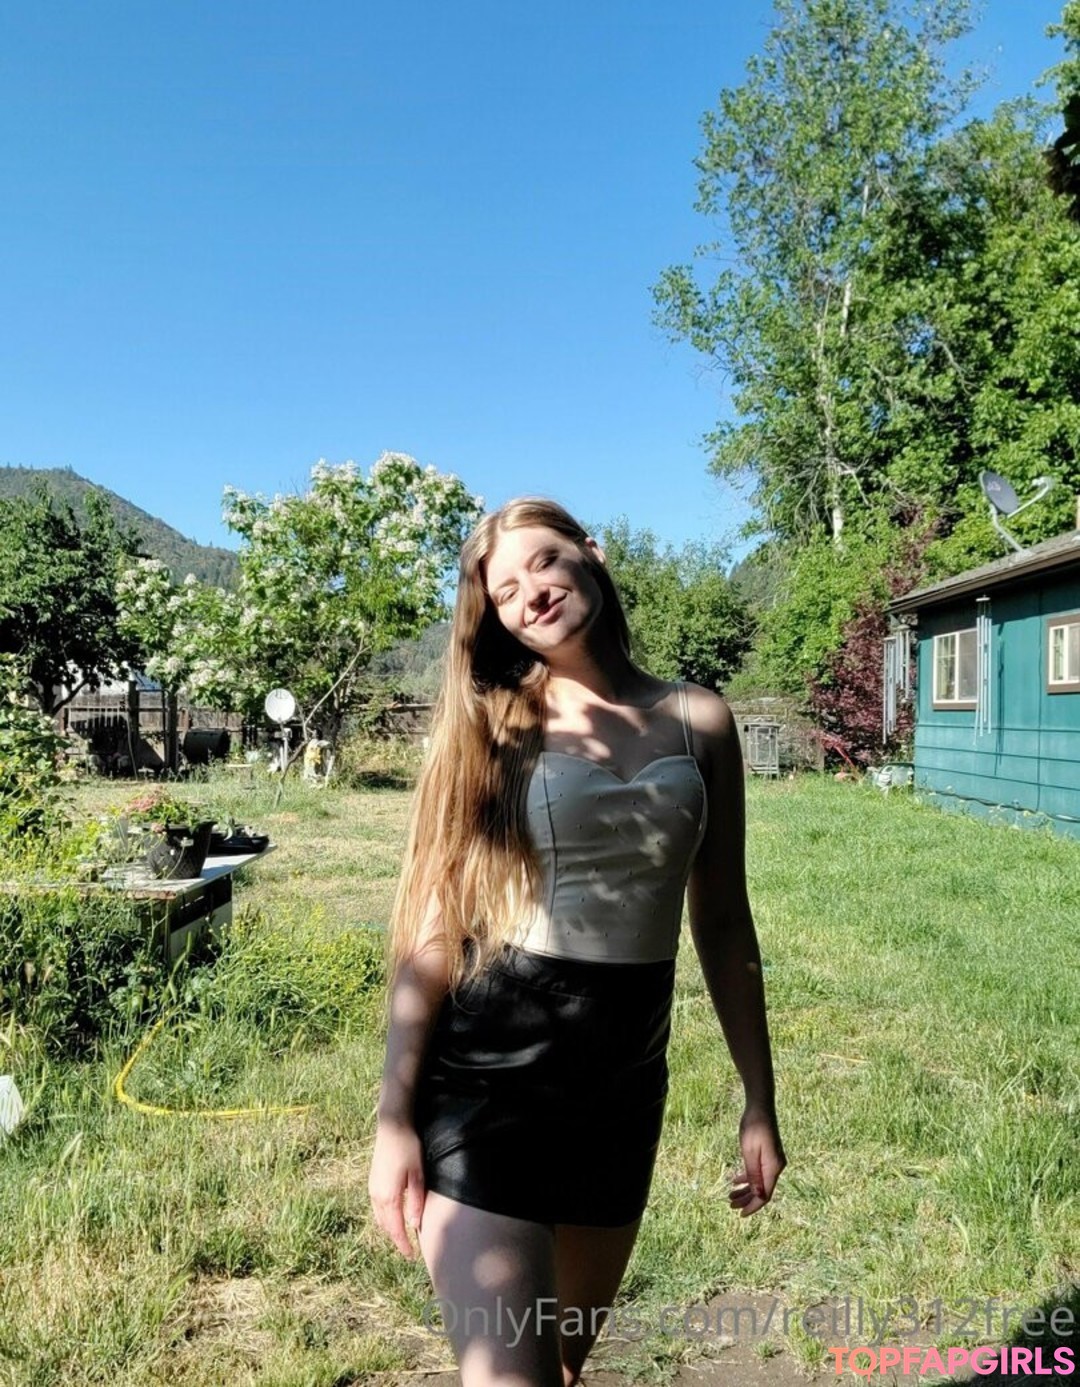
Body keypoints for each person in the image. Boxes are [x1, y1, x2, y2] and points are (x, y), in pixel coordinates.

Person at [369, 497, 785, 1387]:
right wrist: (394, 1116)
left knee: (560, 1363)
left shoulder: (702, 721)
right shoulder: (495, 722)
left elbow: (722, 921)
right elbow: (434, 926)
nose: (531, 592)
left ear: (590, 553)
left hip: (623, 1082)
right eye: (505, 591)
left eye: (544, 562)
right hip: (489, 1078)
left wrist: (760, 1097)